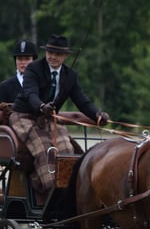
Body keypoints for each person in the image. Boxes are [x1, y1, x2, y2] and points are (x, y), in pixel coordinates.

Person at [10, 34, 110, 202]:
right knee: (45, 149)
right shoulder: (34, 69)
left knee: (67, 150)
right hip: (24, 116)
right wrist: (42, 106)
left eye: (58, 54)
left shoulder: (70, 76)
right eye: (50, 53)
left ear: (66, 56)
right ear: (46, 52)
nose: (53, 57)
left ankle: (69, 190)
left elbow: (82, 100)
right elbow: (30, 93)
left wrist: (97, 114)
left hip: (49, 118)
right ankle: (50, 192)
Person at [0, 39, 38, 105]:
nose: (23, 62)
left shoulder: (42, 83)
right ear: (15, 60)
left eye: (27, 59)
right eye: (19, 59)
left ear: (34, 60)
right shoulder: (5, 86)